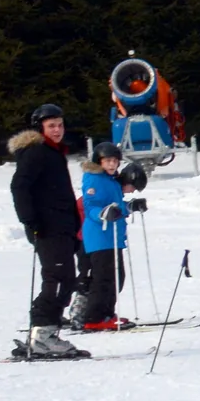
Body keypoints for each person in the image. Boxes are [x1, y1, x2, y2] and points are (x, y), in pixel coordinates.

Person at [8, 103, 86, 359]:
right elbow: (19, 187)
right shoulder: (36, 153)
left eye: (60, 125)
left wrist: (74, 225)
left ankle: (48, 333)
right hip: (48, 228)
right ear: (39, 128)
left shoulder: (53, 153)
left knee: (66, 278)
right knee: (57, 278)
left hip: (62, 228)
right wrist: (31, 221)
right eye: (51, 126)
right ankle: (41, 334)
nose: (57, 130)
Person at [70, 139, 142, 331]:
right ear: (99, 162)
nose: (112, 164)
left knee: (117, 277)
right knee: (104, 279)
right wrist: (102, 214)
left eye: (115, 161)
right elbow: (90, 206)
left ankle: (107, 313)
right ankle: (94, 317)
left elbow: (115, 207)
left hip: (113, 236)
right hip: (99, 237)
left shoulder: (110, 181)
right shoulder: (93, 179)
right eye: (107, 160)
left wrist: (130, 206)